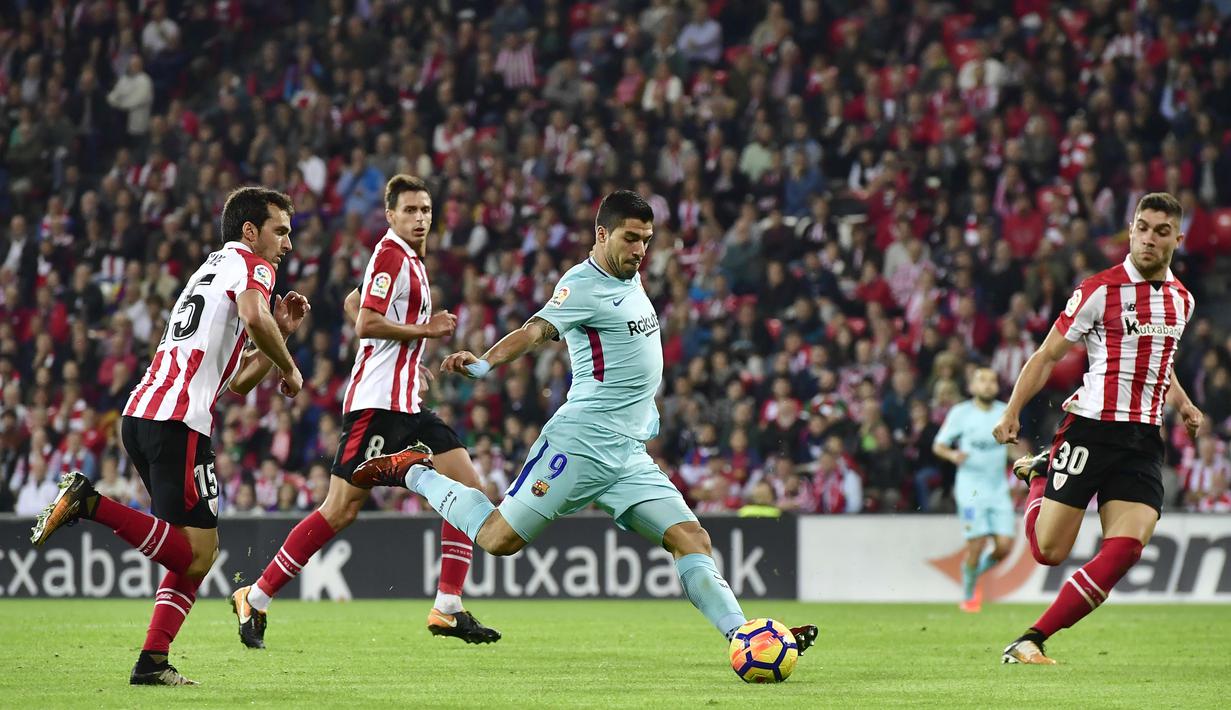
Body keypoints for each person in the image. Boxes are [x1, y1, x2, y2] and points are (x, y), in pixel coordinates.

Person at [353, 190, 818, 655]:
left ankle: (744, 637)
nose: (640, 249)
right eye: (630, 238)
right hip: (579, 444)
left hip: (629, 453)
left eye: (647, 240)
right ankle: (413, 469)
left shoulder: (630, 276)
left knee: (691, 537)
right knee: (499, 539)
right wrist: (485, 364)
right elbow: (534, 330)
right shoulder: (581, 284)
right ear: (601, 234)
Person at [31, 187, 308, 685]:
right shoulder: (252, 266)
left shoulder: (210, 269)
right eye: (281, 230)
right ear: (251, 231)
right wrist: (291, 368)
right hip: (178, 421)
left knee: (189, 553)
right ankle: (89, 504)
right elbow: (252, 315)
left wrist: (279, 336)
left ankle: (153, 662)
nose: (287, 243)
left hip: (143, 413)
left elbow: (240, 381)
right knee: (196, 554)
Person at [229, 175, 500, 648]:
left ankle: (448, 606)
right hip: (375, 405)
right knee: (338, 510)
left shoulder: (407, 261)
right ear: (391, 215)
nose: (420, 218)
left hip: (407, 404)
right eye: (410, 210)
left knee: (469, 488)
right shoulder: (392, 252)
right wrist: (426, 332)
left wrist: (408, 360)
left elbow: (360, 301)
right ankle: (256, 594)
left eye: (426, 210)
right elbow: (365, 322)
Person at [993, 192, 1203, 665]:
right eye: (1142, 228)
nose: (1149, 238)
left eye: (1161, 231)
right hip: (1090, 430)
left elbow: (1159, 360)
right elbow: (1047, 354)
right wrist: (1012, 412)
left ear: (1178, 239)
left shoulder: (1182, 300)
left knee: (1126, 549)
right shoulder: (1099, 290)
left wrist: (1184, 403)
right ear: (1131, 230)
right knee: (1048, 551)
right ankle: (1039, 477)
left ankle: (1031, 638)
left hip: (1143, 439)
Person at [932, 367, 1015, 613]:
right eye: (982, 381)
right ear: (972, 387)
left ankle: (972, 574)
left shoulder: (1005, 412)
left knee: (1004, 547)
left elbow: (1010, 445)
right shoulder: (961, 413)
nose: (988, 385)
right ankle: (969, 594)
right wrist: (952, 454)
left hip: (998, 487)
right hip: (970, 487)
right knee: (977, 543)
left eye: (992, 381)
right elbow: (939, 445)